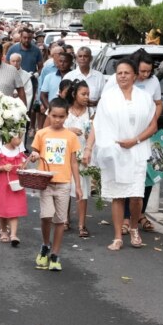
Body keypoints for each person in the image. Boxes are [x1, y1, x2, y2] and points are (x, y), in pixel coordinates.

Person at [85, 59, 156, 251]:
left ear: (135, 76)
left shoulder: (144, 97)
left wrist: (135, 140)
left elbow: (153, 126)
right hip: (114, 152)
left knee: (136, 195)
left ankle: (133, 228)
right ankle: (117, 237)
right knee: (118, 196)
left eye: (126, 72)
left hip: (137, 151)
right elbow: (97, 125)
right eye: (119, 73)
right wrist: (89, 148)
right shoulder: (108, 98)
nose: (123, 76)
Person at [30, 98, 83, 271]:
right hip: (45, 182)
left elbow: (73, 162)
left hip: (64, 183)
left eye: (61, 116)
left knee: (60, 220)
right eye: (54, 116)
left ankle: (55, 253)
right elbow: (35, 152)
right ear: (49, 114)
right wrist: (34, 156)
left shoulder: (71, 136)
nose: (57, 120)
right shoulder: (41, 134)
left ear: (67, 116)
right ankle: (46, 244)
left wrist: (78, 186)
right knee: (46, 216)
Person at [0, 133, 28, 246]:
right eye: (18, 137)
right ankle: (4, 231)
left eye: (21, 138)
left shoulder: (19, 152)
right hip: (2, 184)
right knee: (2, 208)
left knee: (14, 208)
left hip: (15, 184)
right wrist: (2, 167)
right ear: (9, 137)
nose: (20, 141)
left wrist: (22, 166)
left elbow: (24, 166)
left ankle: (13, 234)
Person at [65, 80, 92, 237]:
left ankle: (82, 224)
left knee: (82, 188)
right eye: (83, 94)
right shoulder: (65, 110)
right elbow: (51, 128)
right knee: (65, 187)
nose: (86, 97)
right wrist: (68, 130)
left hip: (83, 154)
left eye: (88, 94)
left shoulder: (91, 111)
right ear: (74, 94)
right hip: (65, 155)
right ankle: (65, 219)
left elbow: (96, 132)